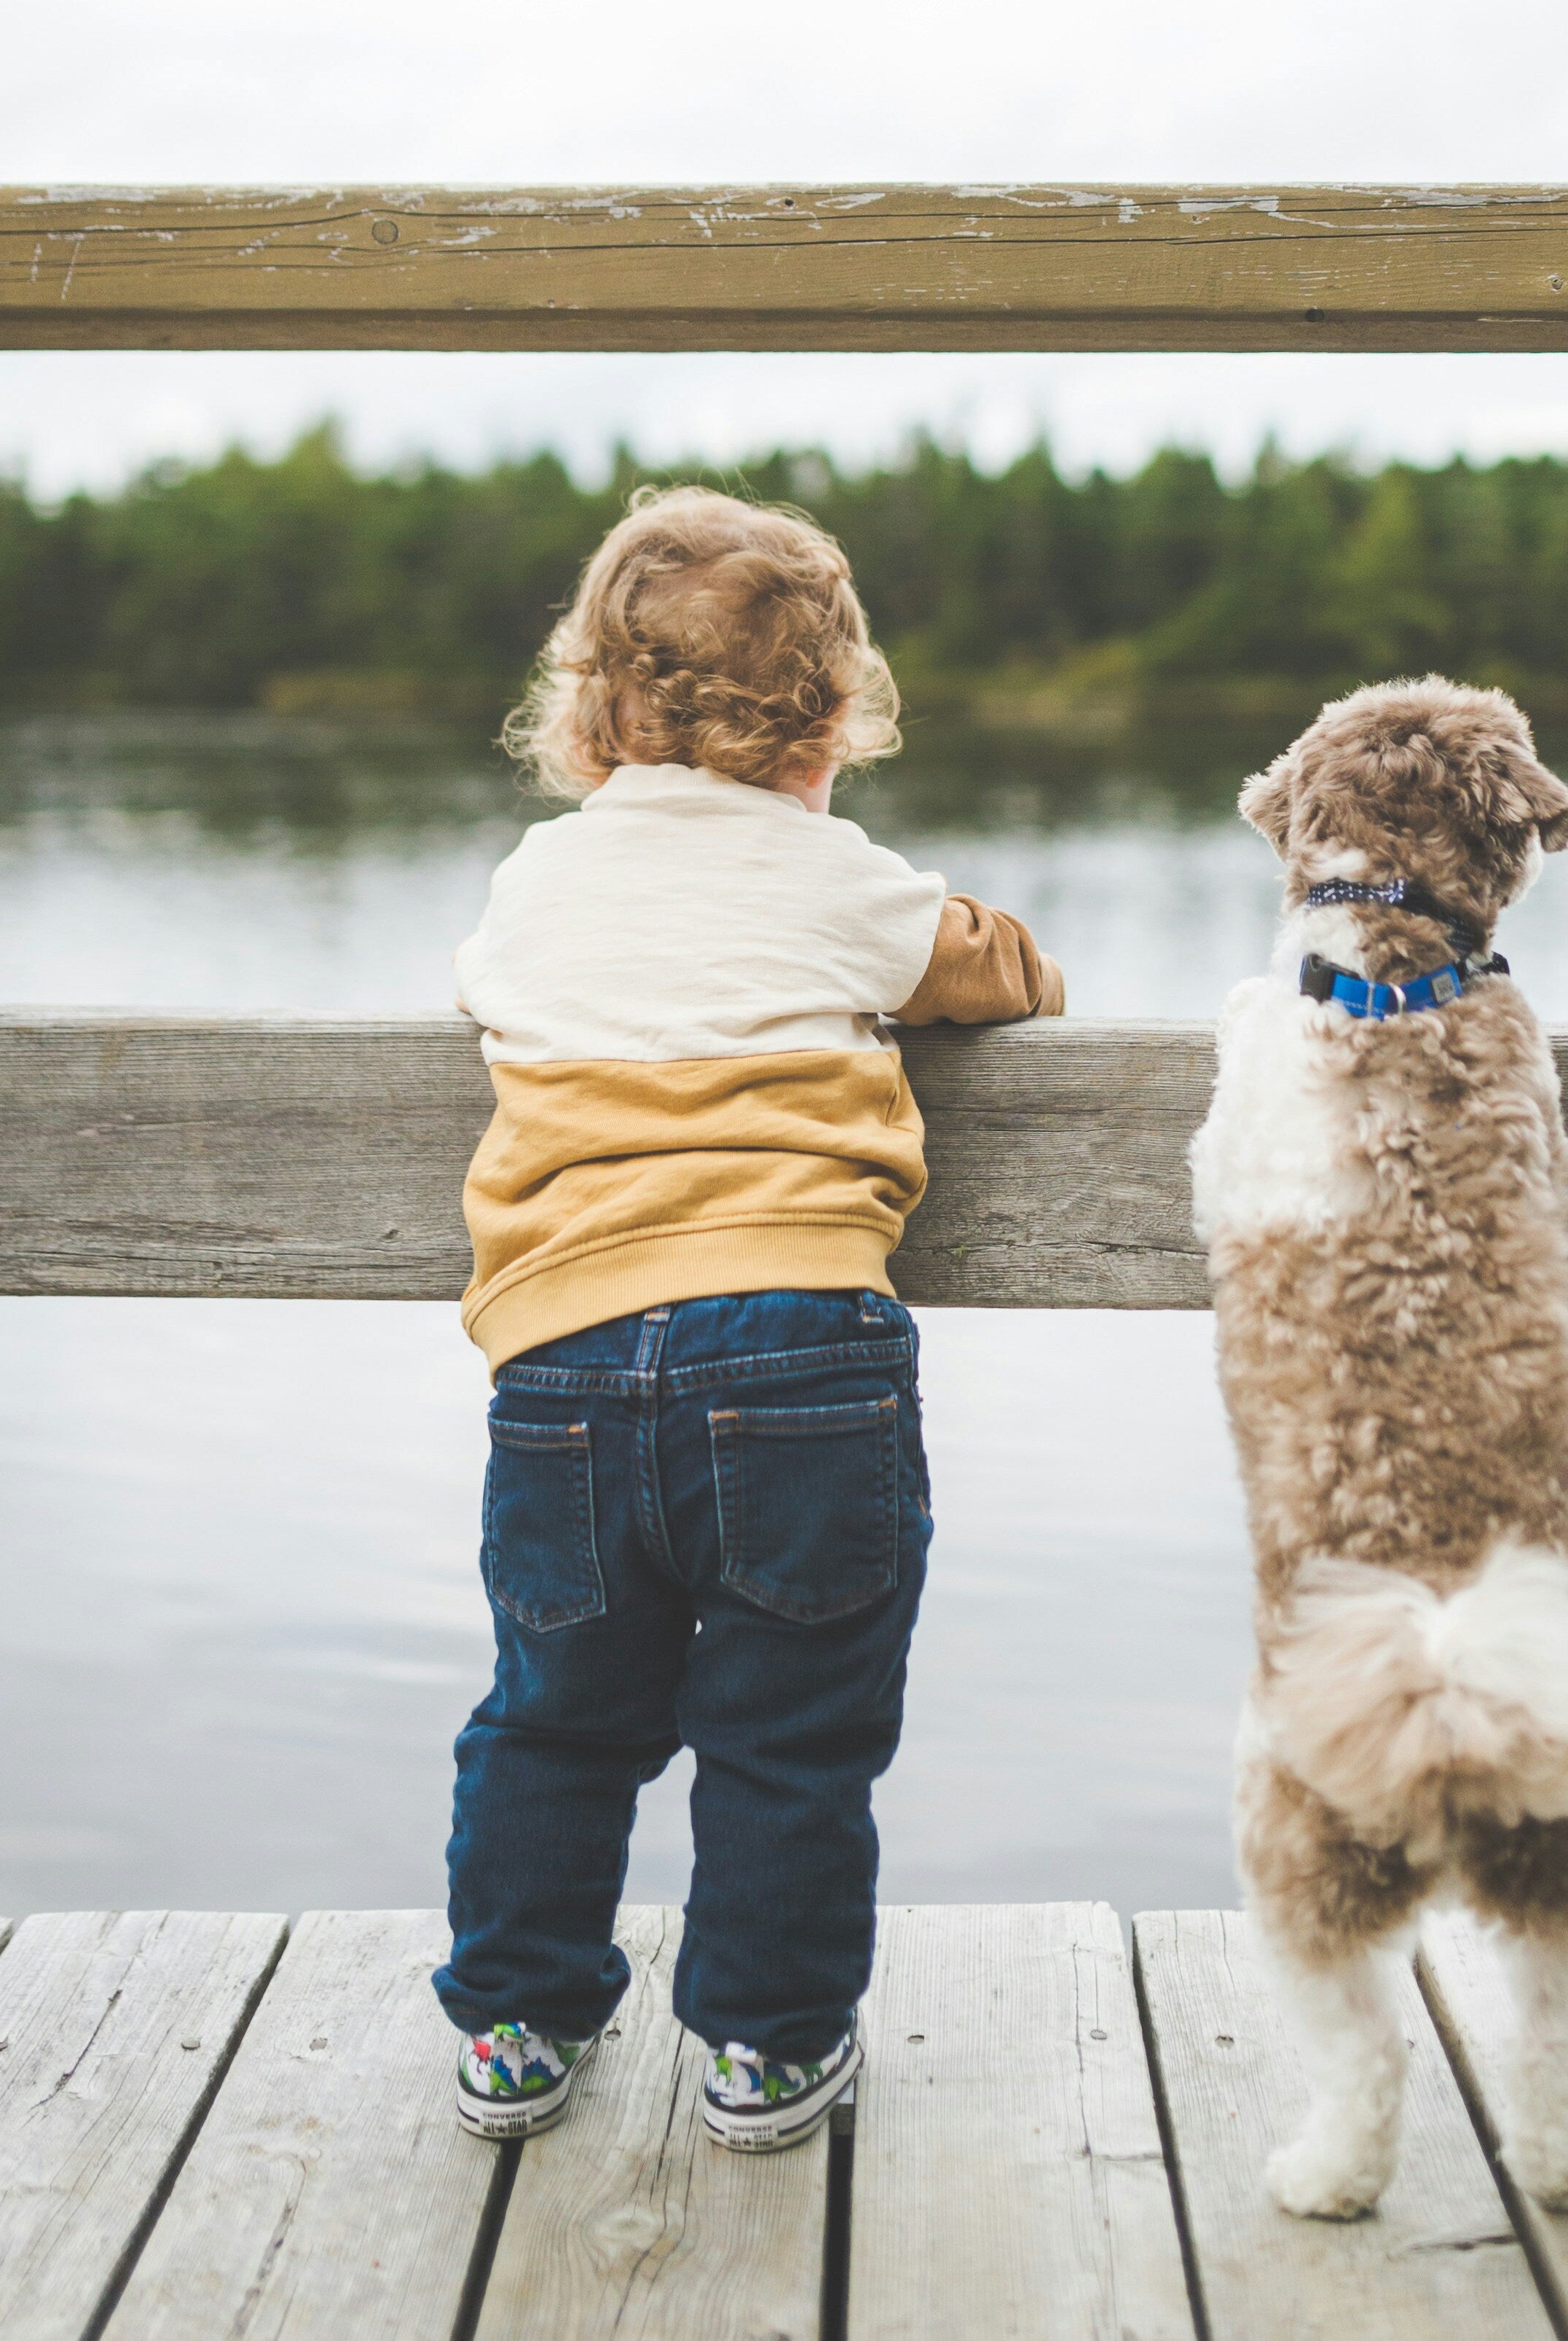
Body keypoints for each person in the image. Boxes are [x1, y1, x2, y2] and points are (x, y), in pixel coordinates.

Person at [431, 485, 1063, 2151]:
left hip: (561, 1363)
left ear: (587, 716)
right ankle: (770, 2051)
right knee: (791, 1734)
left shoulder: (537, 882)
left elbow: (484, 986)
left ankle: (514, 2022)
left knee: (555, 1713)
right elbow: (998, 974)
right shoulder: (837, 874)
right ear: (836, 716)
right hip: (797, 1352)